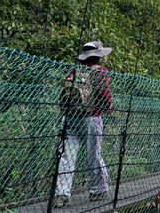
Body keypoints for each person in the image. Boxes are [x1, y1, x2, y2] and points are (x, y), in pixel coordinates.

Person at [54, 41, 113, 208]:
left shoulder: (74, 71)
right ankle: (98, 190)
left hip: (69, 117)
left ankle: (62, 195)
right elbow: (103, 92)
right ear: (98, 57)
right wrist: (109, 106)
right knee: (92, 154)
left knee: (66, 157)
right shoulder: (100, 71)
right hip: (91, 117)